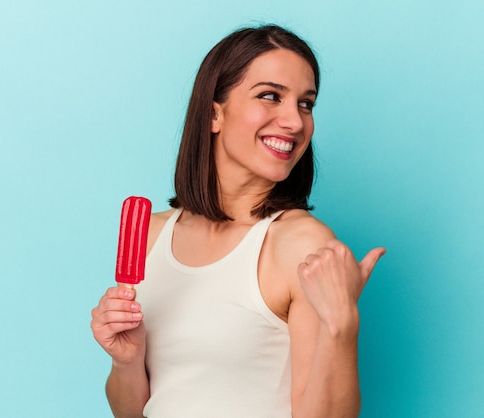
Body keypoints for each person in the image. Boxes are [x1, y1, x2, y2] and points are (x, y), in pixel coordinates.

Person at [91, 24, 385, 418]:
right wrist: (126, 361)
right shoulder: (149, 234)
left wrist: (342, 327)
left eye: (306, 103)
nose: (295, 122)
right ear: (215, 113)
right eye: (270, 96)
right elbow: (132, 413)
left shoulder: (300, 245)